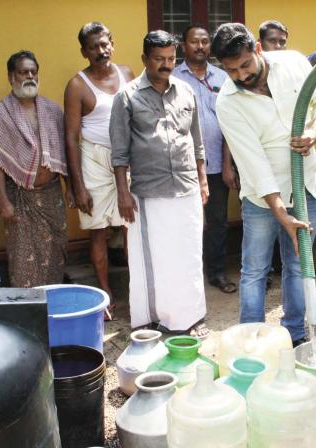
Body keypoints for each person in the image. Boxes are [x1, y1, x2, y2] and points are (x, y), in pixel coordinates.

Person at [212, 23, 316, 346]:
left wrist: (315, 131)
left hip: (306, 183)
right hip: (261, 198)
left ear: (257, 47)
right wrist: (281, 213)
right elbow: (253, 164)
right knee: (255, 269)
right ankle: (250, 342)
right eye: (231, 71)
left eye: (245, 65)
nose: (241, 76)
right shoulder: (227, 102)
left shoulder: (293, 63)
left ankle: (294, 337)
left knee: (298, 265)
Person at [110, 30, 209, 338]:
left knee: (189, 255)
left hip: (187, 186)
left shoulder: (186, 91)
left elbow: (197, 142)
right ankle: (153, 318)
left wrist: (203, 180)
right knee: (155, 259)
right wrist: (123, 193)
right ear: (144, 59)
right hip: (147, 192)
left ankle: (190, 318)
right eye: (159, 60)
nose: (166, 65)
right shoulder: (126, 97)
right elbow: (119, 152)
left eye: (171, 59)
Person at [65, 22, 135, 319]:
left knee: (131, 227)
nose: (100, 51)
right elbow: (70, 137)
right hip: (93, 162)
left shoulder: (128, 74)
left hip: (127, 160)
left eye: (104, 44)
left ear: (112, 43)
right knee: (99, 231)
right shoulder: (77, 85)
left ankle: (138, 291)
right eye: (93, 46)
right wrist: (77, 186)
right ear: (84, 51)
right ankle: (106, 295)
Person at [0, 50, 68, 288]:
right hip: (19, 197)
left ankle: (54, 303)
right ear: (11, 76)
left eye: (33, 71)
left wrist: (70, 188)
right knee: (24, 259)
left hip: (52, 194)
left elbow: (63, 154)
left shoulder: (52, 111)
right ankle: (28, 308)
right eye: (23, 72)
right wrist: (3, 202)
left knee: (56, 249)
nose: (29, 76)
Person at [173, 25, 237, 294]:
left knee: (218, 221)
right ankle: (187, 277)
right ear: (183, 46)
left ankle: (217, 273)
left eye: (204, 42)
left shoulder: (223, 77)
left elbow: (231, 125)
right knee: (185, 222)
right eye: (194, 42)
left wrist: (227, 166)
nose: (200, 47)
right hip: (183, 167)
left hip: (216, 164)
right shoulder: (174, 78)